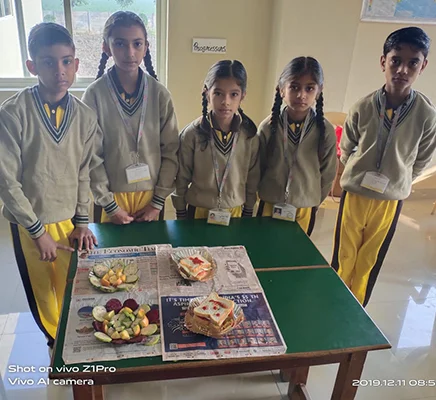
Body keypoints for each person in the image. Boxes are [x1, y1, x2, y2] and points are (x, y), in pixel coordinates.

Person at [0, 23, 98, 347]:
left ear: (76, 63)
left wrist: (82, 221)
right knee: (44, 294)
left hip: (69, 222)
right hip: (31, 225)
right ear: (32, 66)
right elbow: (6, 181)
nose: (60, 71)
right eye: (48, 62)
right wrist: (37, 231)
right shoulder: (13, 113)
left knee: (74, 286)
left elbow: (84, 172)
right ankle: (55, 347)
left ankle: (75, 342)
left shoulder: (85, 116)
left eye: (67, 61)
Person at [331, 27, 436, 306]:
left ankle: (357, 308)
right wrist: (355, 171)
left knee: (370, 258)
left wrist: (400, 180)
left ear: (423, 66)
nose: (402, 69)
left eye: (412, 63)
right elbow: (347, 148)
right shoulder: (363, 106)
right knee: (345, 254)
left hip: (389, 199)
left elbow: (423, 157)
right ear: (383, 62)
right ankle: (335, 303)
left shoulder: (426, 115)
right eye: (395, 60)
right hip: (356, 194)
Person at [82, 11, 179, 223]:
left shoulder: (160, 94)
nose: (130, 52)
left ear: (146, 46)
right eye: (120, 44)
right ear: (106, 47)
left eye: (137, 44)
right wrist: (109, 204)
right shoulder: (94, 95)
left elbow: (171, 151)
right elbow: (91, 155)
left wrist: (157, 202)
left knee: (151, 245)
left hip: (152, 198)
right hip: (111, 199)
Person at [257, 57, 337, 236]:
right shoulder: (268, 127)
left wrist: (313, 199)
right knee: (265, 249)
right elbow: (257, 167)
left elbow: (328, 172)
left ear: (319, 91)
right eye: (294, 87)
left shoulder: (325, 130)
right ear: (281, 90)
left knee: (297, 251)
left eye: (309, 88)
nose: (301, 95)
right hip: (270, 205)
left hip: (304, 208)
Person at [172, 60, 260, 220]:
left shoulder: (249, 135)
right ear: (207, 93)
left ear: (242, 96)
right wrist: (180, 210)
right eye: (218, 93)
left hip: (235, 212)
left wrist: (249, 209)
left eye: (234, 94)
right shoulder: (192, 134)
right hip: (198, 211)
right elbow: (182, 176)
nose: (226, 101)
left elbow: (252, 178)